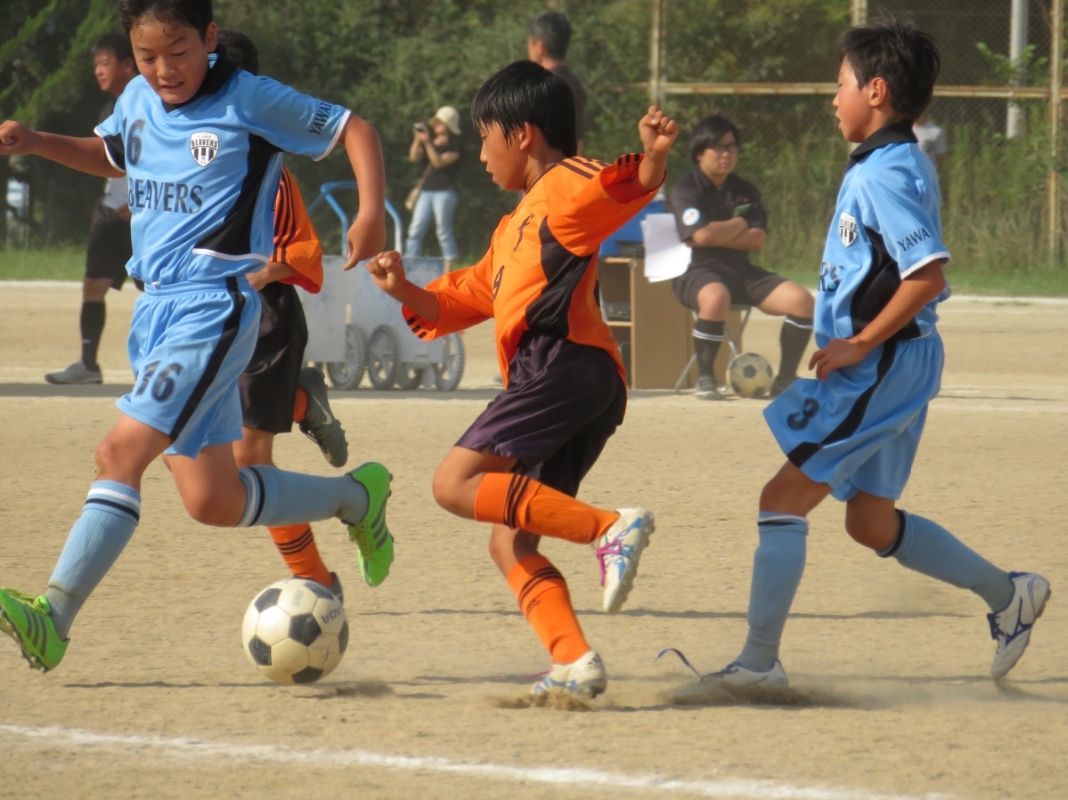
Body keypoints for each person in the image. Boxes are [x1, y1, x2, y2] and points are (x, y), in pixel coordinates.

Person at [0, 0, 394, 673]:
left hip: (211, 308)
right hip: (154, 312)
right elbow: (115, 156)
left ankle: (53, 617)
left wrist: (370, 212)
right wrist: (38, 142)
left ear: (209, 37)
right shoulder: (135, 98)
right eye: (147, 56)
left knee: (117, 453)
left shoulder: (249, 98)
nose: (163, 69)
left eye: (178, 50)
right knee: (213, 498)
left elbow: (354, 129)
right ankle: (358, 497)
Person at [692, 20, 1048, 689]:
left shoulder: (885, 172)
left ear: (876, 91)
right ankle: (1009, 595)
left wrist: (858, 341)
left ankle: (759, 662)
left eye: (842, 85)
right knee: (870, 521)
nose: (834, 98)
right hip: (899, 360)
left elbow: (927, 275)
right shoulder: (891, 161)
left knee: (782, 498)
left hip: (881, 364)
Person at [366, 61, 674, 699]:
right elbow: (467, 297)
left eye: (485, 137)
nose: (480, 154)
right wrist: (405, 290)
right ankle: (573, 661)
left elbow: (620, 187)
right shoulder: (513, 227)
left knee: (453, 483)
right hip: (568, 381)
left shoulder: (565, 183)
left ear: (524, 134)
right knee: (509, 544)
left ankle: (607, 528)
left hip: (561, 363)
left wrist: (651, 159)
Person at [216, 28, 350, 596]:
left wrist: (265, 271)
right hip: (206, 315)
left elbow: (302, 251)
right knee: (181, 450)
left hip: (263, 319)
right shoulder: (194, 154)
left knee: (249, 464)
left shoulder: (266, 168)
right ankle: (300, 400)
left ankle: (316, 577)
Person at [670, 115, 814, 400]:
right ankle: (706, 377)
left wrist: (717, 233)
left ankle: (785, 378)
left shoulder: (746, 191)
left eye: (731, 147)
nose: (726, 154)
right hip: (697, 271)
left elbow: (757, 239)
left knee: (802, 301)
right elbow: (701, 237)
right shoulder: (686, 189)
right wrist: (739, 223)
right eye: (718, 148)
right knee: (716, 297)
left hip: (741, 271)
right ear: (699, 152)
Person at [45, 33, 138, 386]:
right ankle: (88, 365)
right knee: (93, 285)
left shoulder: (149, 104)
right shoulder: (108, 110)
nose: (98, 70)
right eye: (96, 64)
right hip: (111, 210)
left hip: (142, 213)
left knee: (158, 289)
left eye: (105, 63)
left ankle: (174, 366)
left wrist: (140, 202)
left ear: (127, 65)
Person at [404, 106, 462, 272]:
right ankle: (410, 264)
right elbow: (413, 157)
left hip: (445, 192)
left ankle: (448, 267)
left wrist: (428, 143)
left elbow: (438, 163)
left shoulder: (456, 145)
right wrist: (418, 139)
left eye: (440, 122)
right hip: (426, 191)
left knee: (443, 231)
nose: (436, 125)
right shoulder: (431, 141)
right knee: (415, 229)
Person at [527, 11, 587, 154]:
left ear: (540, 47)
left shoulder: (538, 88)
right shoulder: (575, 85)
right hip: (570, 165)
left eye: (530, 44)